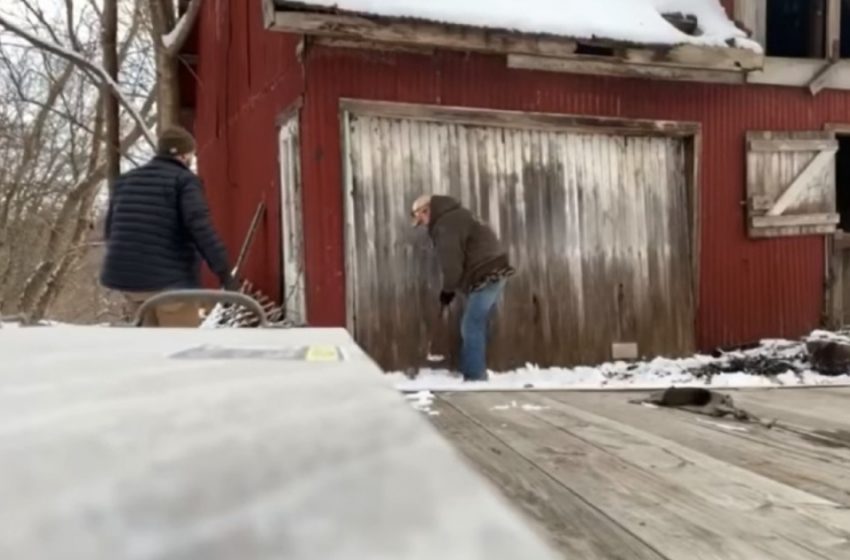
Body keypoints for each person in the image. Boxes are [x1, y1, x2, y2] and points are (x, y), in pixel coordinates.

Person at [100, 126, 238, 327]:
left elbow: (111, 232)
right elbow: (200, 228)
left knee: (149, 352)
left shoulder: (125, 182)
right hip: (172, 286)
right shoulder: (184, 181)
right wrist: (225, 274)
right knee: (179, 350)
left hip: (132, 286)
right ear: (184, 155)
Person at [411, 194, 514, 381]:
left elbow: (452, 265)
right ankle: (473, 371)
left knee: (471, 324)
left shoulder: (445, 225)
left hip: (486, 274)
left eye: (422, 219)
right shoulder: (458, 215)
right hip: (494, 270)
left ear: (427, 211)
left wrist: (447, 291)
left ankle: (475, 377)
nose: (423, 224)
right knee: (475, 322)